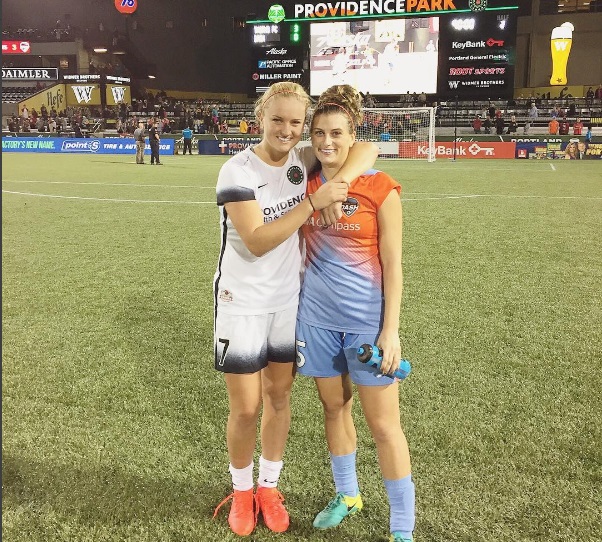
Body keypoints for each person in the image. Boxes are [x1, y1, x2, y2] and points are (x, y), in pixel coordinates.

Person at [212, 81, 378, 537]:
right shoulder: (236, 170)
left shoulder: (300, 159)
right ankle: (242, 492)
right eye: (277, 119)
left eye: (295, 122)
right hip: (242, 303)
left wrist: (338, 190)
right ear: (260, 119)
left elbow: (368, 146)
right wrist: (313, 202)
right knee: (246, 408)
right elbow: (259, 240)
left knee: (279, 398)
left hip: (288, 302)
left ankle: (269, 487)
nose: (286, 130)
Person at [296, 84, 414, 542]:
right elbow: (292, 146)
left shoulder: (381, 188)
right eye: (320, 134)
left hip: (366, 322)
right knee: (333, 408)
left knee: (384, 426)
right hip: (316, 321)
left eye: (338, 134)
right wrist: (327, 187)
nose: (328, 142)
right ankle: (348, 494)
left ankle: (402, 526)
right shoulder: (305, 179)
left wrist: (391, 331)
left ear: (352, 135)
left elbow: (394, 263)